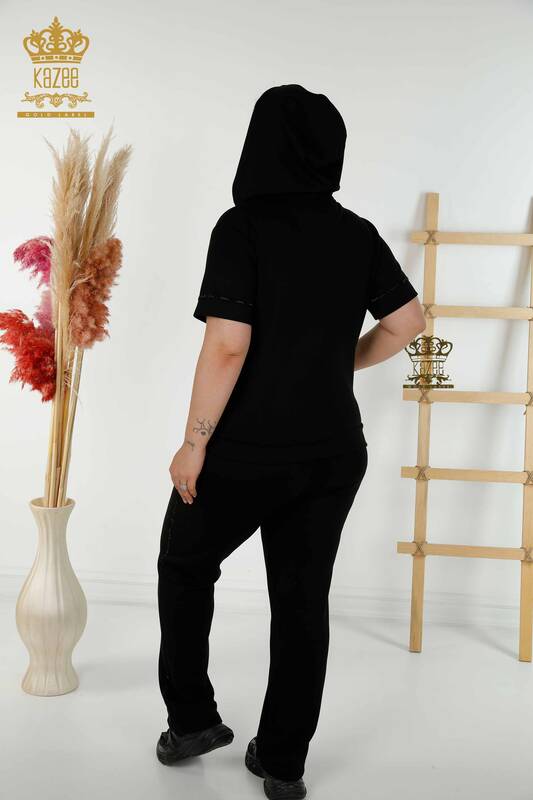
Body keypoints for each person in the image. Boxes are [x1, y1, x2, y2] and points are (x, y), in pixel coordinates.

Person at [156, 83, 426, 799]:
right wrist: (339, 361)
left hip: (244, 453)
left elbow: (227, 344)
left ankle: (192, 723)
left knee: (184, 565)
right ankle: (283, 764)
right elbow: (407, 323)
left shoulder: (240, 228)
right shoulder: (356, 233)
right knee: (303, 600)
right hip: (333, 453)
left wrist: (194, 443)